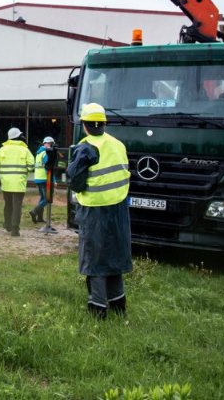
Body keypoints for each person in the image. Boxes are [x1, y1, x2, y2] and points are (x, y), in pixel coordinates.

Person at [67, 103, 132, 319]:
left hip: (95, 210)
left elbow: (75, 182)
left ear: (84, 125)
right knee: (114, 256)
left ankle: (97, 309)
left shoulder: (86, 148)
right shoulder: (118, 145)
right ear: (104, 124)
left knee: (94, 259)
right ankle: (119, 307)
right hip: (119, 207)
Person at [0, 127, 35, 237]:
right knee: (17, 205)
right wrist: (24, 174)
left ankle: (7, 225)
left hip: (6, 182)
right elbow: (31, 166)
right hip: (19, 182)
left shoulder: (2, 149)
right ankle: (15, 229)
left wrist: (5, 174)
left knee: (8, 204)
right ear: (19, 136)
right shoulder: (25, 150)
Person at [29, 136, 60, 234]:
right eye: (51, 144)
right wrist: (53, 180)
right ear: (49, 144)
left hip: (38, 178)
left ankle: (40, 217)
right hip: (44, 179)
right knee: (47, 198)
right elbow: (48, 168)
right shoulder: (46, 153)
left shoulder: (39, 153)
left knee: (43, 197)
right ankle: (34, 211)